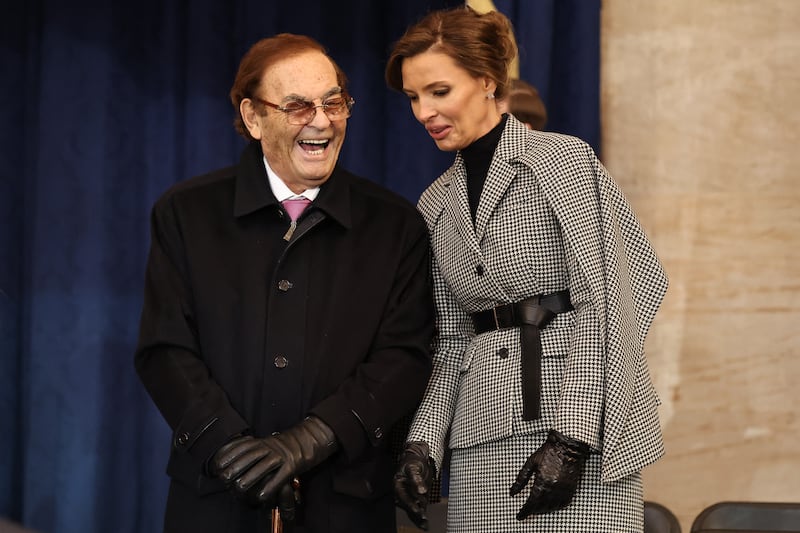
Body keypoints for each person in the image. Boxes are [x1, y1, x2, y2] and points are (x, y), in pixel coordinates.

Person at [135, 33, 435, 533]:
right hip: (216, 499)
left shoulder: (395, 224)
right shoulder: (186, 213)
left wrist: (311, 440)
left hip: (346, 502)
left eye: (333, 102)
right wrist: (227, 448)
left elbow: (404, 357)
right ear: (253, 118)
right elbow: (165, 350)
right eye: (297, 106)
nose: (322, 120)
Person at [385, 6, 668, 532]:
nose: (424, 111)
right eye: (413, 97)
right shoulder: (434, 203)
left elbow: (606, 301)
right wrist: (421, 446)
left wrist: (572, 440)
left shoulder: (561, 160)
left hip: (578, 430)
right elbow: (451, 340)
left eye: (439, 91)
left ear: (487, 81)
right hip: (477, 442)